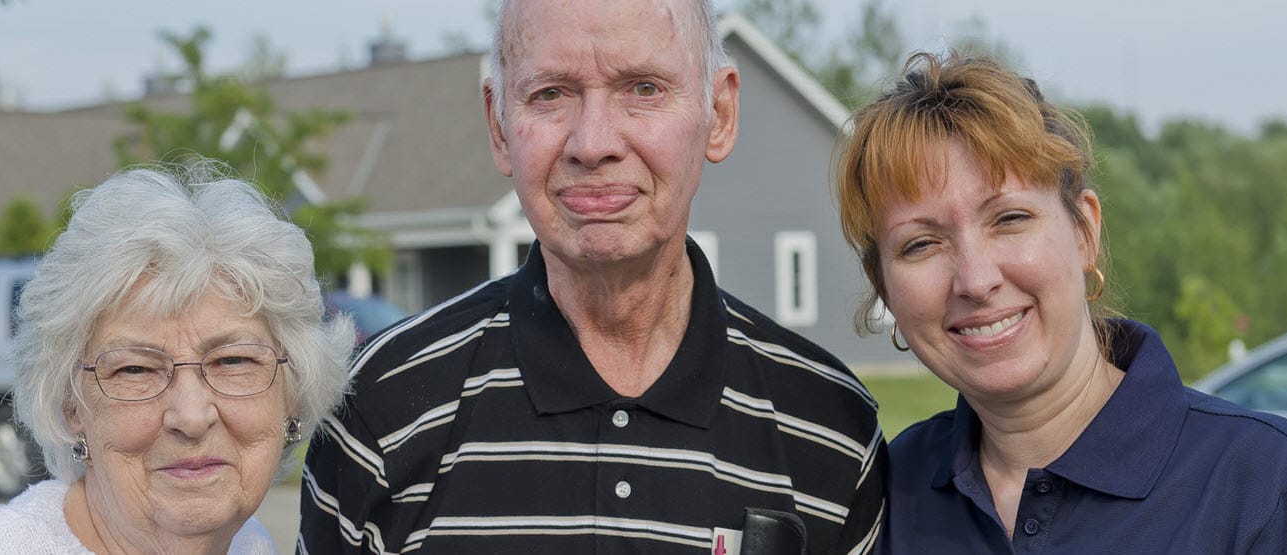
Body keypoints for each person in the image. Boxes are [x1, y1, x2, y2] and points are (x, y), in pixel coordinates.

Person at [298, 0, 886, 552]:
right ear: (499, 127)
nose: (593, 143)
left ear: (720, 114)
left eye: (644, 88)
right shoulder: (378, 405)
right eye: (551, 94)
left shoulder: (830, 429)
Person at [834, 51, 1287, 552]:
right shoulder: (885, 492)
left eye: (1010, 219)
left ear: (1084, 230)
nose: (975, 280)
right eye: (921, 244)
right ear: (882, 283)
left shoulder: (1267, 486)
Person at [0, 168, 352, 554]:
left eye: (232, 361)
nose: (191, 417)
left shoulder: (251, 545)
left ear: (292, 394)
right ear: (71, 406)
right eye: (135, 369)